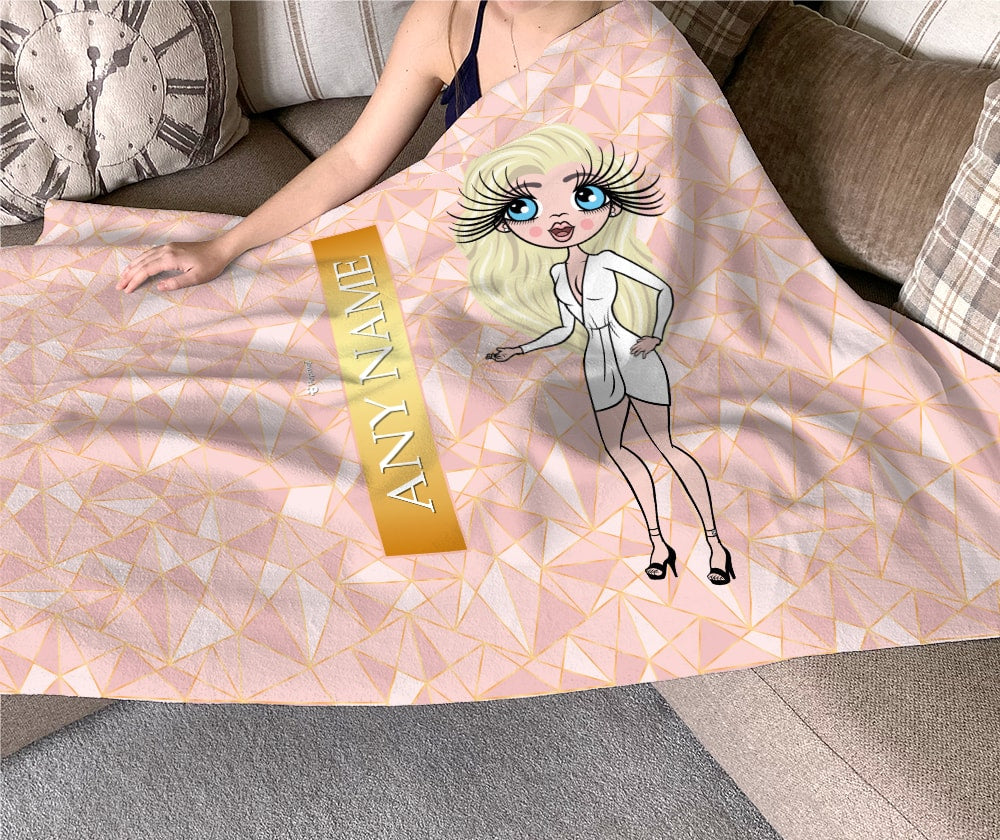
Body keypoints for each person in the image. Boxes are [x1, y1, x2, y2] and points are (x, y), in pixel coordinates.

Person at [116, 0, 618, 295]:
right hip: (481, 251)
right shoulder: (444, 18)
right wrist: (223, 247)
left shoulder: (620, 21)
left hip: (600, 253)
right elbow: (354, 159)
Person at [453, 123, 736, 585]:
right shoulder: (557, 277)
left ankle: (714, 542)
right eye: (525, 207)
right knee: (619, 450)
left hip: (633, 353)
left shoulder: (607, 260)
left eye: (583, 196)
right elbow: (566, 328)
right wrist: (518, 347)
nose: (558, 217)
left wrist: (655, 335)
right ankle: (658, 543)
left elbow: (661, 289)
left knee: (663, 445)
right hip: (597, 365)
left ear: (609, 204)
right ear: (507, 223)